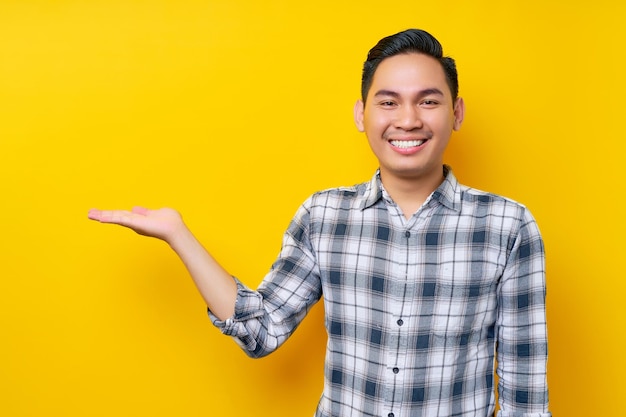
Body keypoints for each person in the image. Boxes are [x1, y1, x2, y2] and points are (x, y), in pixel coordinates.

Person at [88, 29, 550, 417]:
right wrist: (178, 235)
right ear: (361, 114)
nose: (408, 120)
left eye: (428, 101)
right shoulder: (324, 215)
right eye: (388, 102)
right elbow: (260, 328)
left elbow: (524, 395)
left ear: (456, 112)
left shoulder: (508, 226)